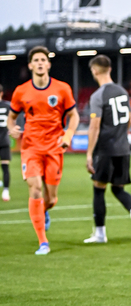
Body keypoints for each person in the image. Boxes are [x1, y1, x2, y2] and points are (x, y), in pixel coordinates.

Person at [7, 46, 79, 254]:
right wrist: (12, 129)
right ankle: (43, 242)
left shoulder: (62, 88)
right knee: (35, 189)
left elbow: (73, 116)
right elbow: (11, 118)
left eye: (43, 60)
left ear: (48, 64)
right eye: (35, 60)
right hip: (30, 148)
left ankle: (44, 210)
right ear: (30, 65)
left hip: (55, 148)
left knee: (50, 199)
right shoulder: (21, 91)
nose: (39, 63)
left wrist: (68, 135)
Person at [83, 55, 131, 244]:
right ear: (109, 69)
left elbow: (94, 126)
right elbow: (130, 121)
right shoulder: (123, 92)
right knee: (118, 189)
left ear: (94, 71)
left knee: (98, 189)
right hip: (123, 148)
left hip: (106, 149)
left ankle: (100, 234)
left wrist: (89, 154)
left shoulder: (98, 95)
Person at [0, 85, 12, 201]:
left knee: (5, 167)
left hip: (3, 141)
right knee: (5, 167)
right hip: (4, 140)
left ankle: (5, 190)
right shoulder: (7, 106)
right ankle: (6, 192)